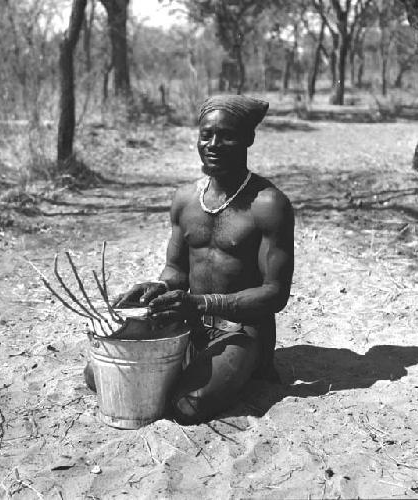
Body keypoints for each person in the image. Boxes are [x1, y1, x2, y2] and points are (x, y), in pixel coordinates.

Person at [88, 94, 294, 424]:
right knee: (95, 375)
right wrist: (155, 287)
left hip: (241, 332)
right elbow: (176, 271)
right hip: (188, 323)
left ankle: (242, 370)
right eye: (206, 135)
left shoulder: (268, 204)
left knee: (187, 407)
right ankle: (196, 369)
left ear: (248, 139)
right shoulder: (185, 200)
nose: (213, 144)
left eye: (226, 135)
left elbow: (275, 293)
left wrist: (200, 303)